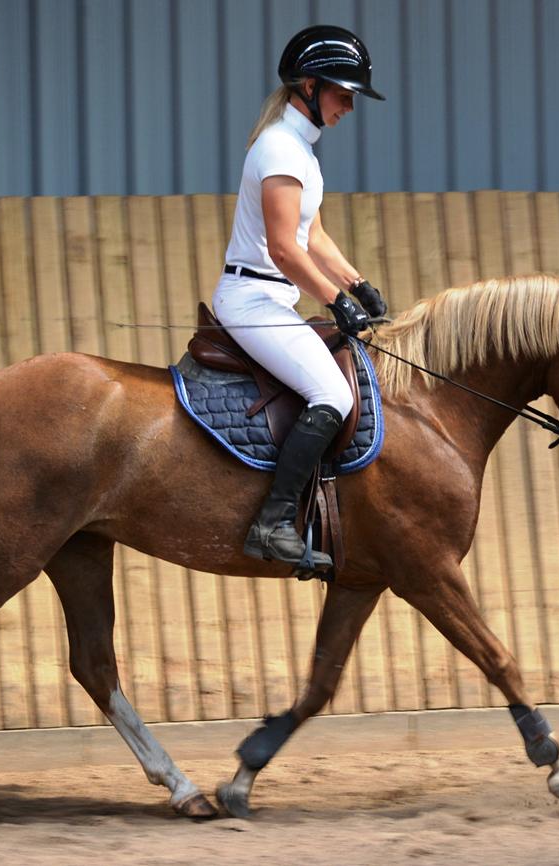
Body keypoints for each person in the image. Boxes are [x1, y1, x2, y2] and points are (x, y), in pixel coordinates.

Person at [213, 24, 388, 570]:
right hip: (252, 300)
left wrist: (357, 284)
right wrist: (337, 301)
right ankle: (272, 524)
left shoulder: (300, 154)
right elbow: (286, 251)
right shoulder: (280, 150)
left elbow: (313, 236)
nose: (348, 108)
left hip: (271, 300)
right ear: (308, 87)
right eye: (343, 94)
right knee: (333, 397)